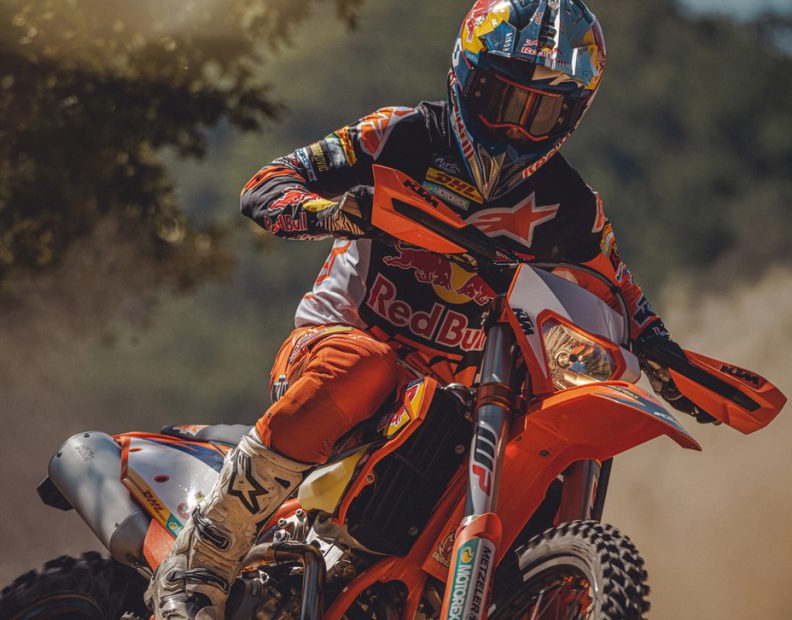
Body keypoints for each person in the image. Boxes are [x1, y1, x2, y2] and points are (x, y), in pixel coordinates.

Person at [146, 0, 708, 617]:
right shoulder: (400, 133)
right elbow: (266, 184)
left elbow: (622, 292)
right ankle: (204, 555)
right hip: (338, 347)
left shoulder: (572, 206)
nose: (517, 129)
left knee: (548, 434)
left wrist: (664, 353)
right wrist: (336, 212)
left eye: (542, 111)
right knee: (366, 366)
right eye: (503, 99)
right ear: (467, 77)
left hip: (463, 397)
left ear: (571, 116)